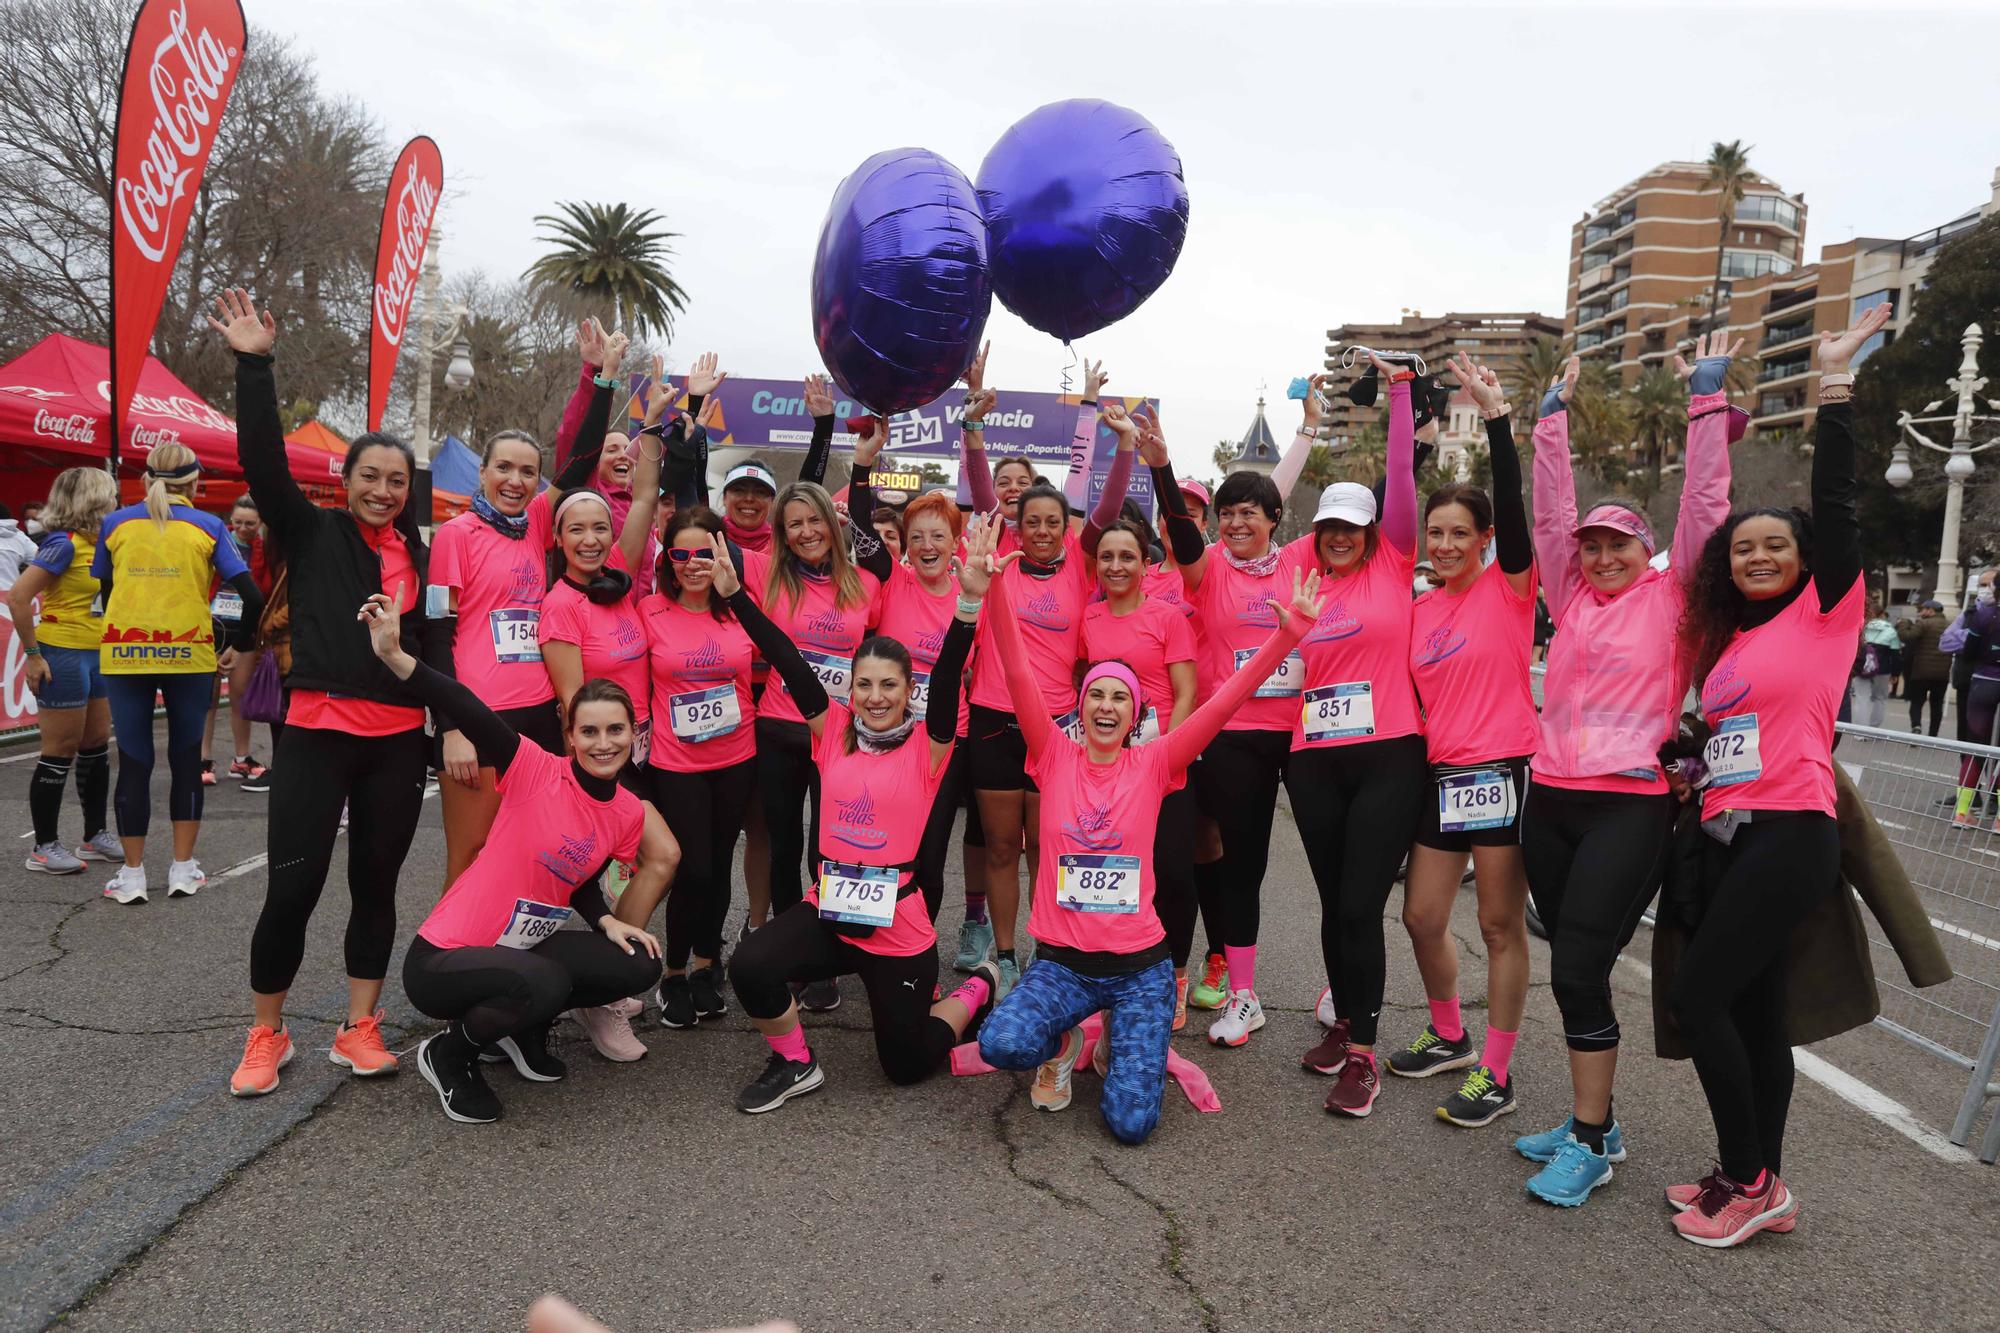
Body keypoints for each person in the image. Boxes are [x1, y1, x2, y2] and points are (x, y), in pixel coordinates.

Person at [977, 527, 1322, 1143]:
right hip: (1063, 965)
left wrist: (1287, 636)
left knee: (1131, 1125)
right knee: (1002, 1042)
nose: (1106, 707)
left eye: (1119, 699)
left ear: (1135, 714)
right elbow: (1018, 668)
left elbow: (1223, 701)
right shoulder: (1051, 753)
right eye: (1095, 697)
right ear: (1080, 708)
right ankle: (1062, 1037)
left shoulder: (1157, 762)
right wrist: (997, 586)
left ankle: (1119, 1032)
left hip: (1139, 968)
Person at [1662, 309, 1887, 1245]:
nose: (1756, 555)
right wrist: (1691, 752)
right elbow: (1723, 731)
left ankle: (1751, 1181)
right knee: (1754, 1012)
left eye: (1774, 547)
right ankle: (1751, 1172)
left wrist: (1834, 386)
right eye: (1743, 548)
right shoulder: (1736, 641)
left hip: (1792, 829)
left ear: (1803, 565)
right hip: (1724, 831)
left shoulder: (1829, 614)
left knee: (1697, 995)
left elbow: (1836, 509)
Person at [1513, 335, 1738, 1206]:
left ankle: (1591, 1141)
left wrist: (1707, 405)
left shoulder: (1675, 595)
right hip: (1553, 799)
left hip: (1630, 804)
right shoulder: (1567, 597)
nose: (1602, 558)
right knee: (1575, 965)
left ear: (1642, 552)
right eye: (1592, 547)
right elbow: (1546, 519)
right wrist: (1549, 424)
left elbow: (1705, 508)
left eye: (1618, 547)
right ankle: (1594, 1123)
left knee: (1575, 968)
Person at [211, 287, 447, 1097]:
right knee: (294, 887)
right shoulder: (311, 532)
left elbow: (433, 648)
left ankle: (359, 1025)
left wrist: (446, 726)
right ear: (344, 480)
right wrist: (254, 364)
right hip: (314, 735)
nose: (384, 489)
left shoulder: (422, 554)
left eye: (395, 480)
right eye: (370, 476)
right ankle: (267, 1032)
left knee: (375, 887)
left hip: (393, 744)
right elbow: (263, 465)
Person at [358, 591, 674, 1123]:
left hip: (523, 951)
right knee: (543, 981)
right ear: (569, 736)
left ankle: (519, 1029)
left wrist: (605, 922)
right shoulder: (534, 769)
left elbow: (575, 878)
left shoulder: (626, 811)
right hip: (445, 958)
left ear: (632, 734)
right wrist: (396, 656)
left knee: (638, 962)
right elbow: (464, 704)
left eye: (615, 730)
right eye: (589, 731)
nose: (603, 743)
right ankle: (450, 1055)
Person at [718, 527, 996, 1113]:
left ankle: (979, 989)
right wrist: (737, 595)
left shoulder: (930, 747)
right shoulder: (831, 734)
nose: (874, 696)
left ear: (907, 690)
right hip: (831, 909)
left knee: (907, 1064)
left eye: (888, 686)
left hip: (897, 925)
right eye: (863, 684)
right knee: (750, 966)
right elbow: (790, 661)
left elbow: (947, 677)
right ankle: (796, 1062)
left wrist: (967, 603)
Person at [1263, 357, 1426, 1111]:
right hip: (1314, 761)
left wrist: (1400, 392)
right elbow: (1268, 501)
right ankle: (1346, 1028)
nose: (1338, 537)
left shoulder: (1393, 561)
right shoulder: (1302, 569)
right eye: (1329, 526)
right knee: (1335, 904)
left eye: (1352, 528)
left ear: (1372, 530)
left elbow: (1399, 468)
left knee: (1363, 904)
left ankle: (1363, 1051)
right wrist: (1305, 430)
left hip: (1390, 753)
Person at [430, 325, 640, 891]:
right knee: (471, 851)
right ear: (483, 472)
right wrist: (449, 726)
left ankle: (514, 964)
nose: (516, 481)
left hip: (541, 718)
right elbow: (434, 634)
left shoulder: (538, 526)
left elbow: (580, 465)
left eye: (528, 471)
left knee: (531, 847)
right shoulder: (456, 535)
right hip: (479, 716)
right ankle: (454, 966)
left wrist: (605, 381)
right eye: (504, 468)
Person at [1385, 353, 1537, 1128]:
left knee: (1500, 924)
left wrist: (1500, 421)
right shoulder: (1419, 606)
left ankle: (1498, 1071)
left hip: (1503, 769)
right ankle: (1450, 1032)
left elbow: (1514, 511)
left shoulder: (1511, 587)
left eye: (1457, 533)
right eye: (1434, 532)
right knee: (1420, 916)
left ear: (1482, 537)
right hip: (1442, 777)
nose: (1442, 544)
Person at [960, 353, 1136, 996]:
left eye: (1052, 522)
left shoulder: (1079, 566)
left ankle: (1051, 953)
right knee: (1002, 849)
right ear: (1015, 526)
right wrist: (972, 429)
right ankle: (1004, 957)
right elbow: (982, 494)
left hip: (1057, 727)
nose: (1039, 530)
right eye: (1030, 521)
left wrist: (1121, 442)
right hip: (992, 722)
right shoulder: (1000, 553)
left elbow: (1104, 496)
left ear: (1066, 530)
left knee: (1050, 851)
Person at [738, 473, 893, 1012]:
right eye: (793, 524)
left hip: (838, 738)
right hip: (778, 729)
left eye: (814, 520)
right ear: (781, 533)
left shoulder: (864, 583)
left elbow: (879, 552)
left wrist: (864, 467)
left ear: (833, 523)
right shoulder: (767, 575)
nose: (806, 532)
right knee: (782, 847)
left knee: (827, 851)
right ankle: (789, 955)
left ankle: (828, 953)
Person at [91, 441, 264, 904]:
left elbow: (107, 593)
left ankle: (131, 877)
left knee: (134, 761)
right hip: (189, 655)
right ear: (194, 483)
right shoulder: (209, 526)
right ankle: (183, 870)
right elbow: (252, 595)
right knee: (187, 761)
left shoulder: (115, 523)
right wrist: (239, 644)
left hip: (126, 655)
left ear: (146, 480)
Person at [1081, 502, 1199, 1025]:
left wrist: (1168, 752)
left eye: (1126, 556)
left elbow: (1186, 691)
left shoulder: (1167, 617)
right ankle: (1114, 970)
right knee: (1120, 867)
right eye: (1106, 556)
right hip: (1107, 764)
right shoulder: (1088, 617)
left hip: (1161, 762)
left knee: (1172, 869)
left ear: (1145, 564)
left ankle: (1172, 972)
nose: (1115, 566)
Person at [643, 506, 759, 1029]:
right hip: (677, 761)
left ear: (721, 554)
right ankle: (672, 973)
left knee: (719, 864)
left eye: (704, 552)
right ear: (667, 559)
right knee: (694, 868)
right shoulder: (649, 611)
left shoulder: (739, 609)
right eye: (681, 554)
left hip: (737, 755)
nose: (693, 564)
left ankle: (708, 967)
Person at [864, 476, 985, 948]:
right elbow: (860, 526)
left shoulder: (973, 591)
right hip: (883, 736)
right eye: (916, 537)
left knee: (929, 854)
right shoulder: (895, 580)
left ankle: (919, 948)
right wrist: (861, 465)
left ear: (956, 543)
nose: (926, 546)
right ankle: (869, 940)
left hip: (943, 744)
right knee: (880, 846)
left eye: (938, 536)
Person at [9, 466, 120, 873]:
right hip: (64, 653)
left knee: (95, 747)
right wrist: (34, 655)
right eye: (109, 496)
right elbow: (19, 598)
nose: (115, 503)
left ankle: (94, 836)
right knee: (59, 751)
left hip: (99, 654)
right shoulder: (63, 544)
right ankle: (44, 846)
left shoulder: (105, 541)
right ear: (92, 500)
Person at [199, 495, 277, 790]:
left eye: (250, 523)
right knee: (207, 697)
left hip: (245, 631)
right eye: (238, 522)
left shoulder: (264, 550)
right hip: (211, 625)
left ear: (260, 524)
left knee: (241, 696)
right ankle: (203, 759)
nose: (243, 528)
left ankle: (242, 758)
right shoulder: (215, 544)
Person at [1943, 569, 2000, 827]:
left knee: (1975, 747)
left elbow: (1969, 650)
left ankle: (1962, 812)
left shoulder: (1982, 614)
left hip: (1982, 682)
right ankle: (1999, 819)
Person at [1897, 600, 1951, 736]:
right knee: (1936, 704)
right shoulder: (1950, 625)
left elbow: (1907, 636)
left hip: (1921, 672)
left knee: (1917, 702)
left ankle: (1916, 726)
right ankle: (1933, 734)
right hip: (1942, 673)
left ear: (1930, 611)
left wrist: (1903, 623)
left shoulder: (1924, 623)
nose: (1921, 612)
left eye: (1923, 609)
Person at [1848, 592, 1899, 728]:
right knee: (1880, 698)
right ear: (1882, 614)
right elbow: (1895, 653)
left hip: (1862, 667)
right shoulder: (1890, 630)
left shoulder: (1861, 626)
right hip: (1883, 669)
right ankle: (1874, 728)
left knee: (1861, 698)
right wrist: (1895, 673)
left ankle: (1860, 731)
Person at [0, 502, 40, 589]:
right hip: (9, 596)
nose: (30, 522)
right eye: (27, 518)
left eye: (35, 519)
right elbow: (43, 562)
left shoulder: (20, 536)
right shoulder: (19, 537)